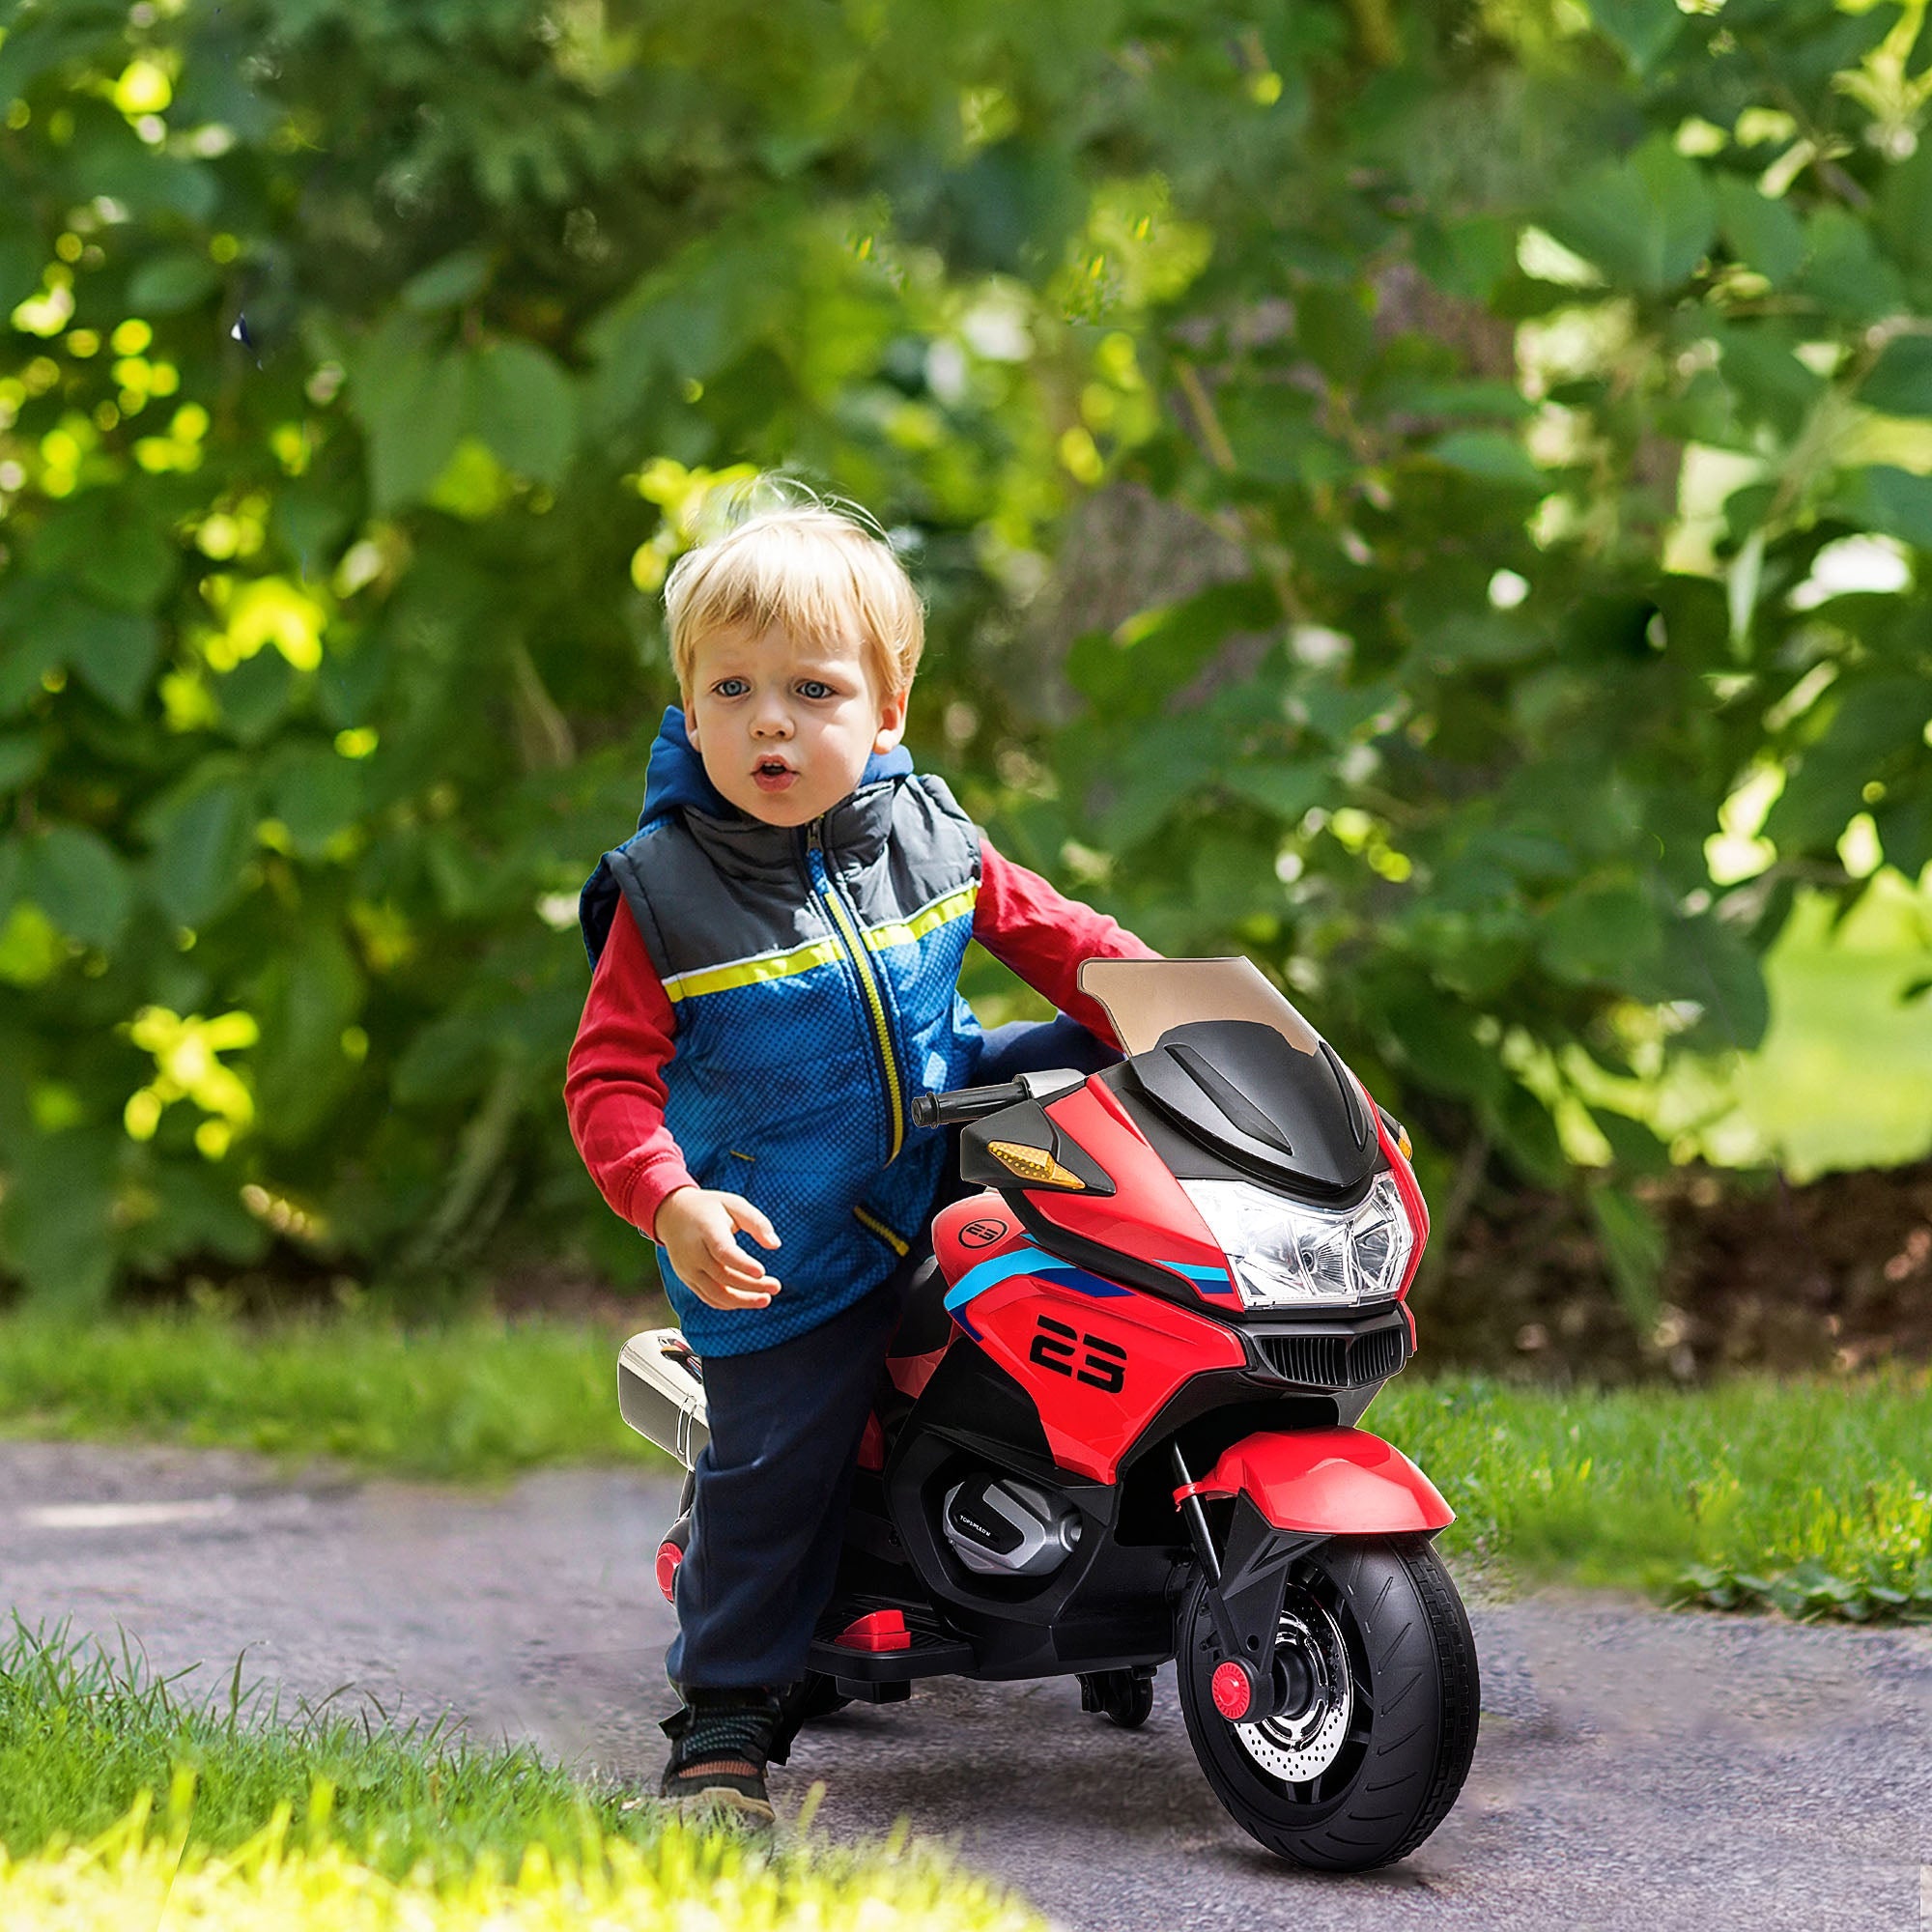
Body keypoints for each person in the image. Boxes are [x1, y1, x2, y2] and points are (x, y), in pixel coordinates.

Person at [566, 497, 1154, 1821]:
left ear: (888, 708)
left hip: (952, 1147)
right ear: (691, 707)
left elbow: (1057, 936)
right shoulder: (665, 892)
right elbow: (607, 1083)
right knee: (777, 1464)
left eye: (812, 688)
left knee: (1105, 1119)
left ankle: (1118, 1567)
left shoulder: (932, 834)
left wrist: (1173, 1004)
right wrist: (674, 1204)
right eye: (734, 688)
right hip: (791, 1236)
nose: (770, 719)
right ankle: (725, 1716)